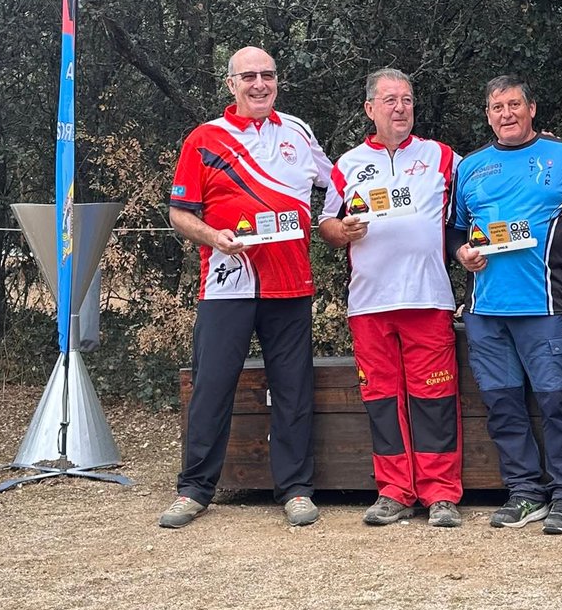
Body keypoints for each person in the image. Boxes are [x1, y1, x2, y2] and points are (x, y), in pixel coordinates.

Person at [160, 46, 332, 530]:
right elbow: (178, 213)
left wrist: (335, 219)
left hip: (290, 282)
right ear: (231, 84)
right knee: (212, 385)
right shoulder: (205, 139)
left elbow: (339, 180)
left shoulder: (297, 130)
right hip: (226, 283)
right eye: (249, 76)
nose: (260, 84)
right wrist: (214, 237)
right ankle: (194, 489)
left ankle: (296, 490)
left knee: (293, 389)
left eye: (268, 75)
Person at [318, 69, 464, 528]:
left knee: (435, 396)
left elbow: (482, 191)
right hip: (369, 303)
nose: (400, 107)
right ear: (369, 108)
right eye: (390, 100)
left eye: (407, 99)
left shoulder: (443, 157)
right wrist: (340, 231)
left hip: (428, 298)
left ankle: (440, 493)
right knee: (381, 398)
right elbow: (327, 226)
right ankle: (394, 490)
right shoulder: (347, 164)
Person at [450, 75, 562, 534]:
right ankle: (525, 492)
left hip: (543, 306)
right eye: (497, 107)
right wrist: (461, 253)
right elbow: (455, 229)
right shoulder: (470, 167)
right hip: (486, 310)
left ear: (532, 108)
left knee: (557, 403)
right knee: (503, 405)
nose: (506, 114)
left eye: (514, 105)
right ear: (488, 114)